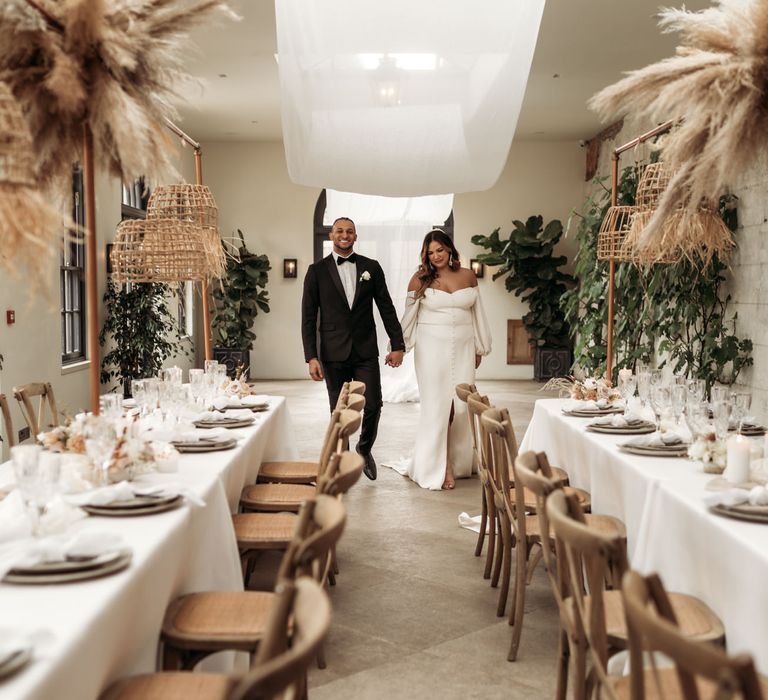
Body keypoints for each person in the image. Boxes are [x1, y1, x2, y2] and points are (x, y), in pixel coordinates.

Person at [301, 216, 405, 480]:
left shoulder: (372, 267)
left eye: (349, 231)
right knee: (338, 410)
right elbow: (309, 317)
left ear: (355, 237)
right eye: (339, 231)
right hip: (332, 351)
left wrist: (398, 344)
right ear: (331, 236)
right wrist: (311, 356)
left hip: (365, 349)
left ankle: (364, 448)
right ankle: (343, 458)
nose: (344, 235)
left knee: (373, 404)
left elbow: (386, 307)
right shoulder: (316, 271)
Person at [387, 229, 491, 490]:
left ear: (449, 249)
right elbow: (408, 317)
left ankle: (457, 461)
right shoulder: (420, 279)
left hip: (464, 347)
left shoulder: (468, 276)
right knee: (437, 406)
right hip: (431, 349)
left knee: (462, 406)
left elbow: (479, 314)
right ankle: (439, 466)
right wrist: (399, 347)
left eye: (440, 250)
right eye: (430, 252)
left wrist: (479, 347)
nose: (436, 256)